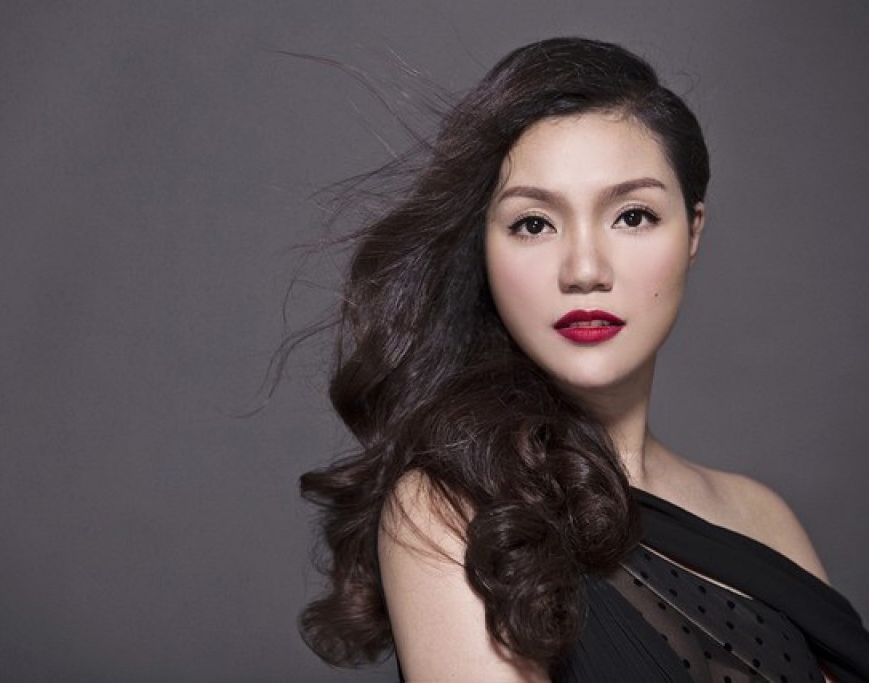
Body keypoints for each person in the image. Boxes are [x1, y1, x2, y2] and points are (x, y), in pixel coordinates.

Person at [297, 37, 869, 682]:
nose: (585, 270)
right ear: (483, 247)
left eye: (633, 216)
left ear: (693, 232)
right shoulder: (449, 511)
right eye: (534, 224)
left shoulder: (764, 518)